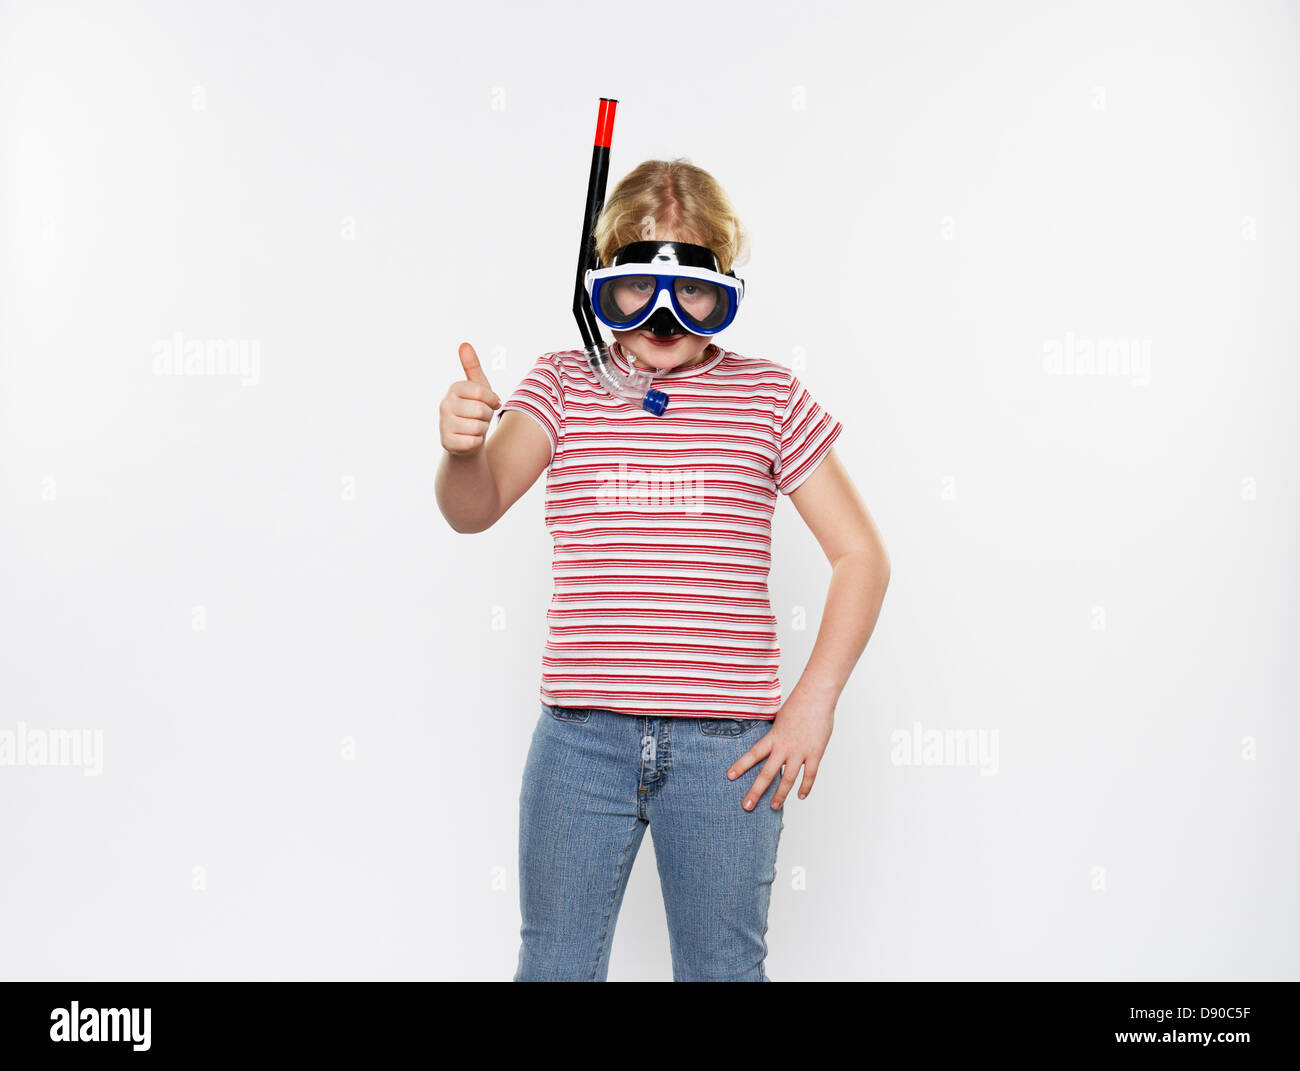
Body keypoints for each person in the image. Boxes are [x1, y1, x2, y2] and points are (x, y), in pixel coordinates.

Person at [435, 158, 891, 981]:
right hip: (579, 743)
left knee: (723, 970)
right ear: (601, 283)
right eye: (638, 289)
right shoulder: (564, 384)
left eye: (694, 293)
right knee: (555, 967)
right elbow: (476, 503)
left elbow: (861, 555)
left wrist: (812, 704)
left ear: (726, 286)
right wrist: (462, 450)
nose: (665, 315)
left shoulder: (769, 396)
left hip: (729, 755)